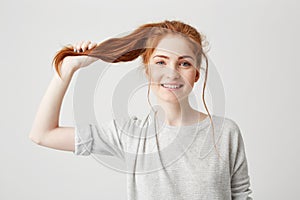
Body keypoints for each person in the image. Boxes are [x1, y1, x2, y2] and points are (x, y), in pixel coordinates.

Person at [29, 20, 253, 199]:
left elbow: (241, 195)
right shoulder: (130, 134)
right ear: (147, 71)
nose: (172, 73)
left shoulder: (226, 133)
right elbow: (42, 134)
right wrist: (69, 67)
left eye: (184, 63)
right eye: (161, 62)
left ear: (196, 74)